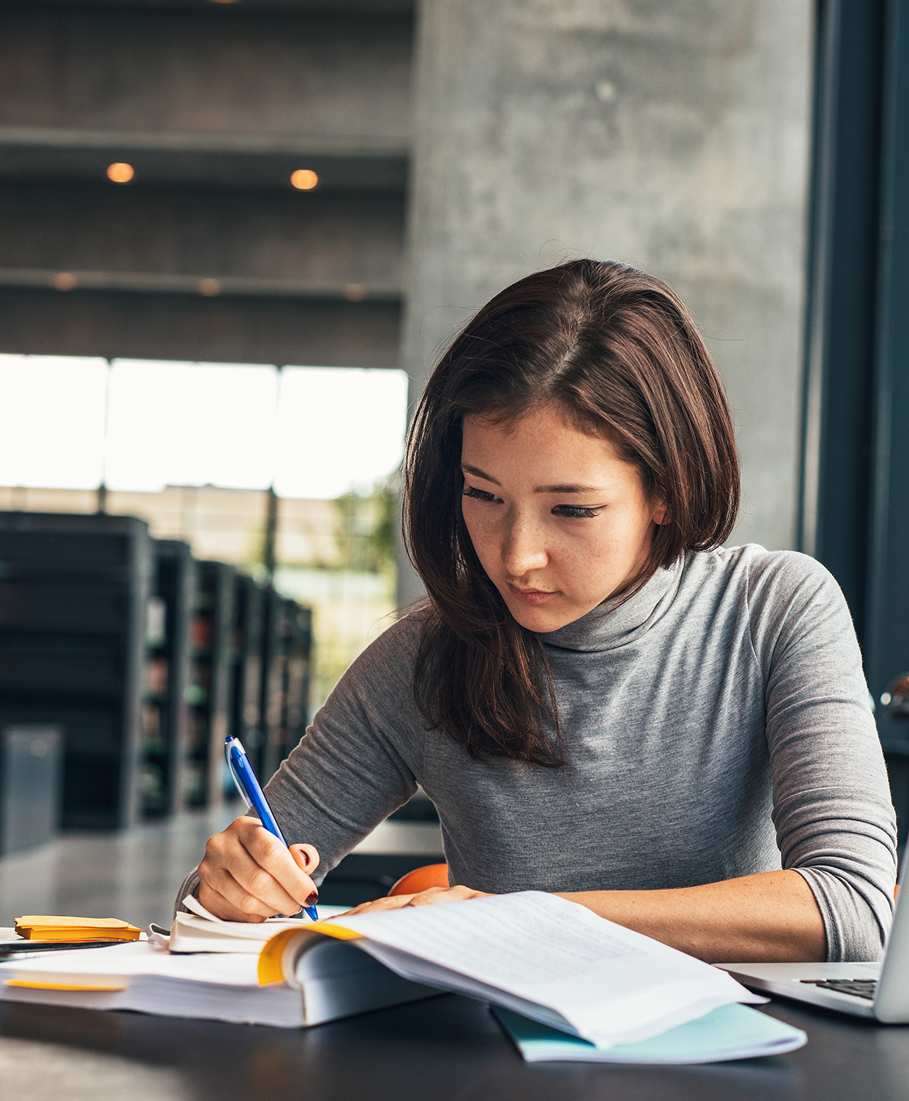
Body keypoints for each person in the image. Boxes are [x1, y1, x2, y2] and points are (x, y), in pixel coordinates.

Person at [184, 259, 897, 963]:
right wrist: (226, 889)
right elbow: (205, 912)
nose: (516, 555)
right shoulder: (418, 660)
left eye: (570, 508)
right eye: (484, 495)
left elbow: (850, 906)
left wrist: (521, 919)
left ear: (666, 491)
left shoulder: (774, 609)